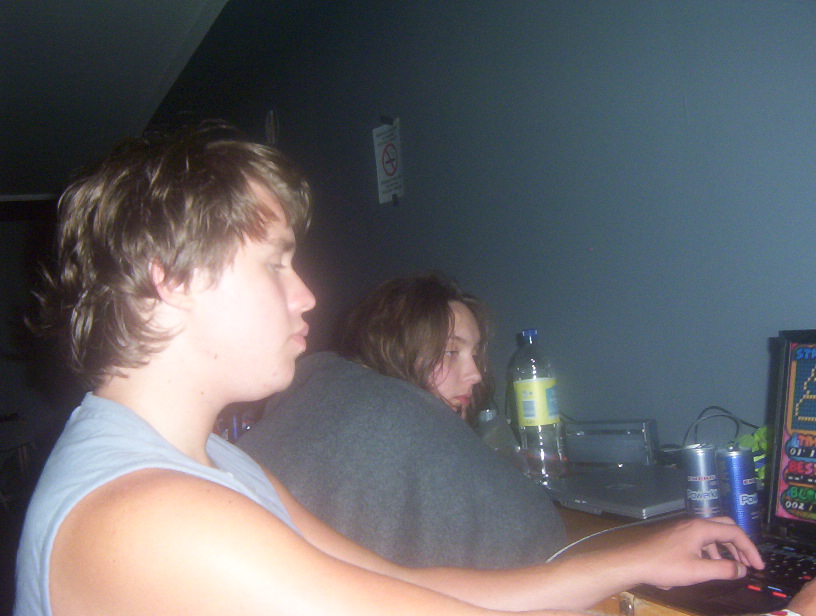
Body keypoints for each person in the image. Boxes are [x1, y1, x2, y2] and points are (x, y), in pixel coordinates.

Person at [13, 121, 805, 616]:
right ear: (170, 280)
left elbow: (417, 591)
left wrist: (635, 554)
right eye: (274, 263)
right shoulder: (149, 519)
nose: (306, 294)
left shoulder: (211, 464)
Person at [238, 271, 565, 569]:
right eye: (451, 352)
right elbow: (534, 534)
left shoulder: (330, 392)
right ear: (396, 348)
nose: (475, 374)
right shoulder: (383, 420)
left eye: (475, 354)